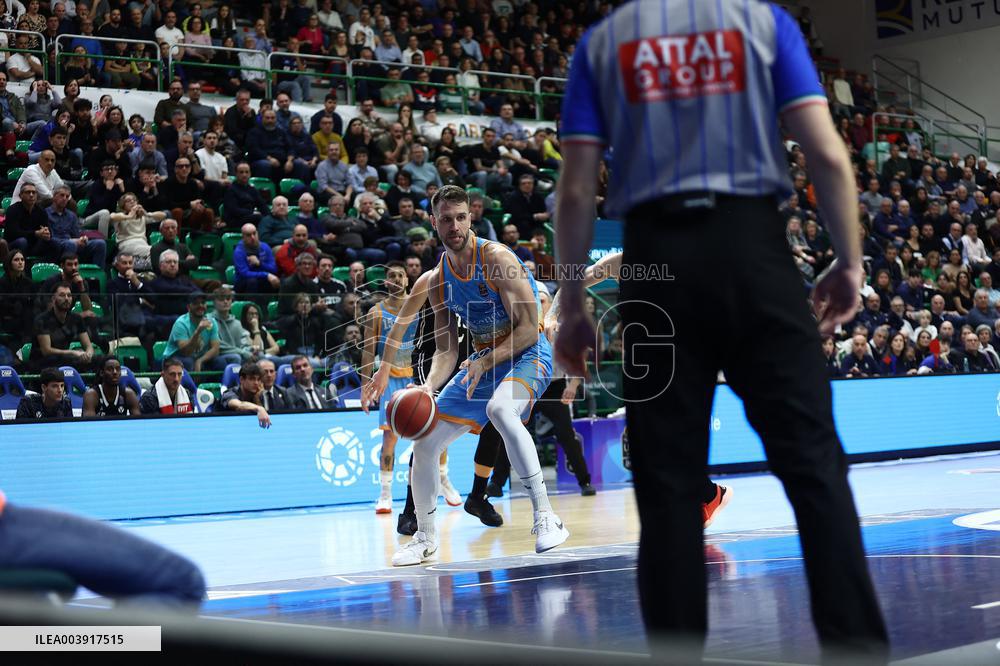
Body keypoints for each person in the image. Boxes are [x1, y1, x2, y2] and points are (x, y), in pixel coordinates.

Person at [552, 2, 888, 661]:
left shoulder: (602, 43)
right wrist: (849, 261)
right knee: (815, 466)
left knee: (667, 484)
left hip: (656, 269)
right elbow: (825, 153)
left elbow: (574, 192)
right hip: (753, 254)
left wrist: (573, 303)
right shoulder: (764, 24)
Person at [363, 185, 567, 566]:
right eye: (446, 219)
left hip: (529, 353)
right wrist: (428, 386)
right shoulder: (438, 279)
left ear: (471, 217)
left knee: (500, 410)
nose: (454, 226)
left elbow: (528, 329)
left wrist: (484, 363)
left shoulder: (497, 259)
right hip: (484, 360)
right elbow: (447, 350)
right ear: (433, 221)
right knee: (424, 444)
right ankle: (425, 538)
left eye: (461, 217)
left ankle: (546, 516)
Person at [360, 262, 427, 514]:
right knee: (389, 437)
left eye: (401, 275)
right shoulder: (376, 312)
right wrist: (364, 386)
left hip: (417, 377)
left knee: (429, 434)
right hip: (389, 379)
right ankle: (385, 494)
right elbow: (368, 351)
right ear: (386, 282)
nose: (397, 279)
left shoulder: (421, 306)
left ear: (408, 281)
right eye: (392, 276)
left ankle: (443, 479)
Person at [30, 283, 93, 371]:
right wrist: (73, 353)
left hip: (66, 359)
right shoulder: (42, 320)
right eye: (62, 295)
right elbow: (46, 351)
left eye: (69, 295)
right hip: (43, 362)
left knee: (102, 360)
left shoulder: (76, 318)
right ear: (53, 299)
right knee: (68, 360)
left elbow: (88, 346)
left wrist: (88, 354)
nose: (66, 299)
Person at [162, 292, 221, 372]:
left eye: (203, 303)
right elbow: (186, 352)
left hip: (197, 358)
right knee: (188, 362)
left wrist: (200, 361)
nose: (200, 306)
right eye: (196, 303)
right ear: (188, 307)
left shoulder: (211, 321)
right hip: (174, 358)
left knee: (220, 361)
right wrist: (198, 331)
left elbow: (215, 349)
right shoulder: (181, 323)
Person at [218, 361, 272, 428]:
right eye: (252, 379)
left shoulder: (258, 394)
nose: (256, 383)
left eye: (258, 379)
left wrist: (257, 399)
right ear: (241, 379)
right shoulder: (229, 394)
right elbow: (239, 405)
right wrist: (259, 408)